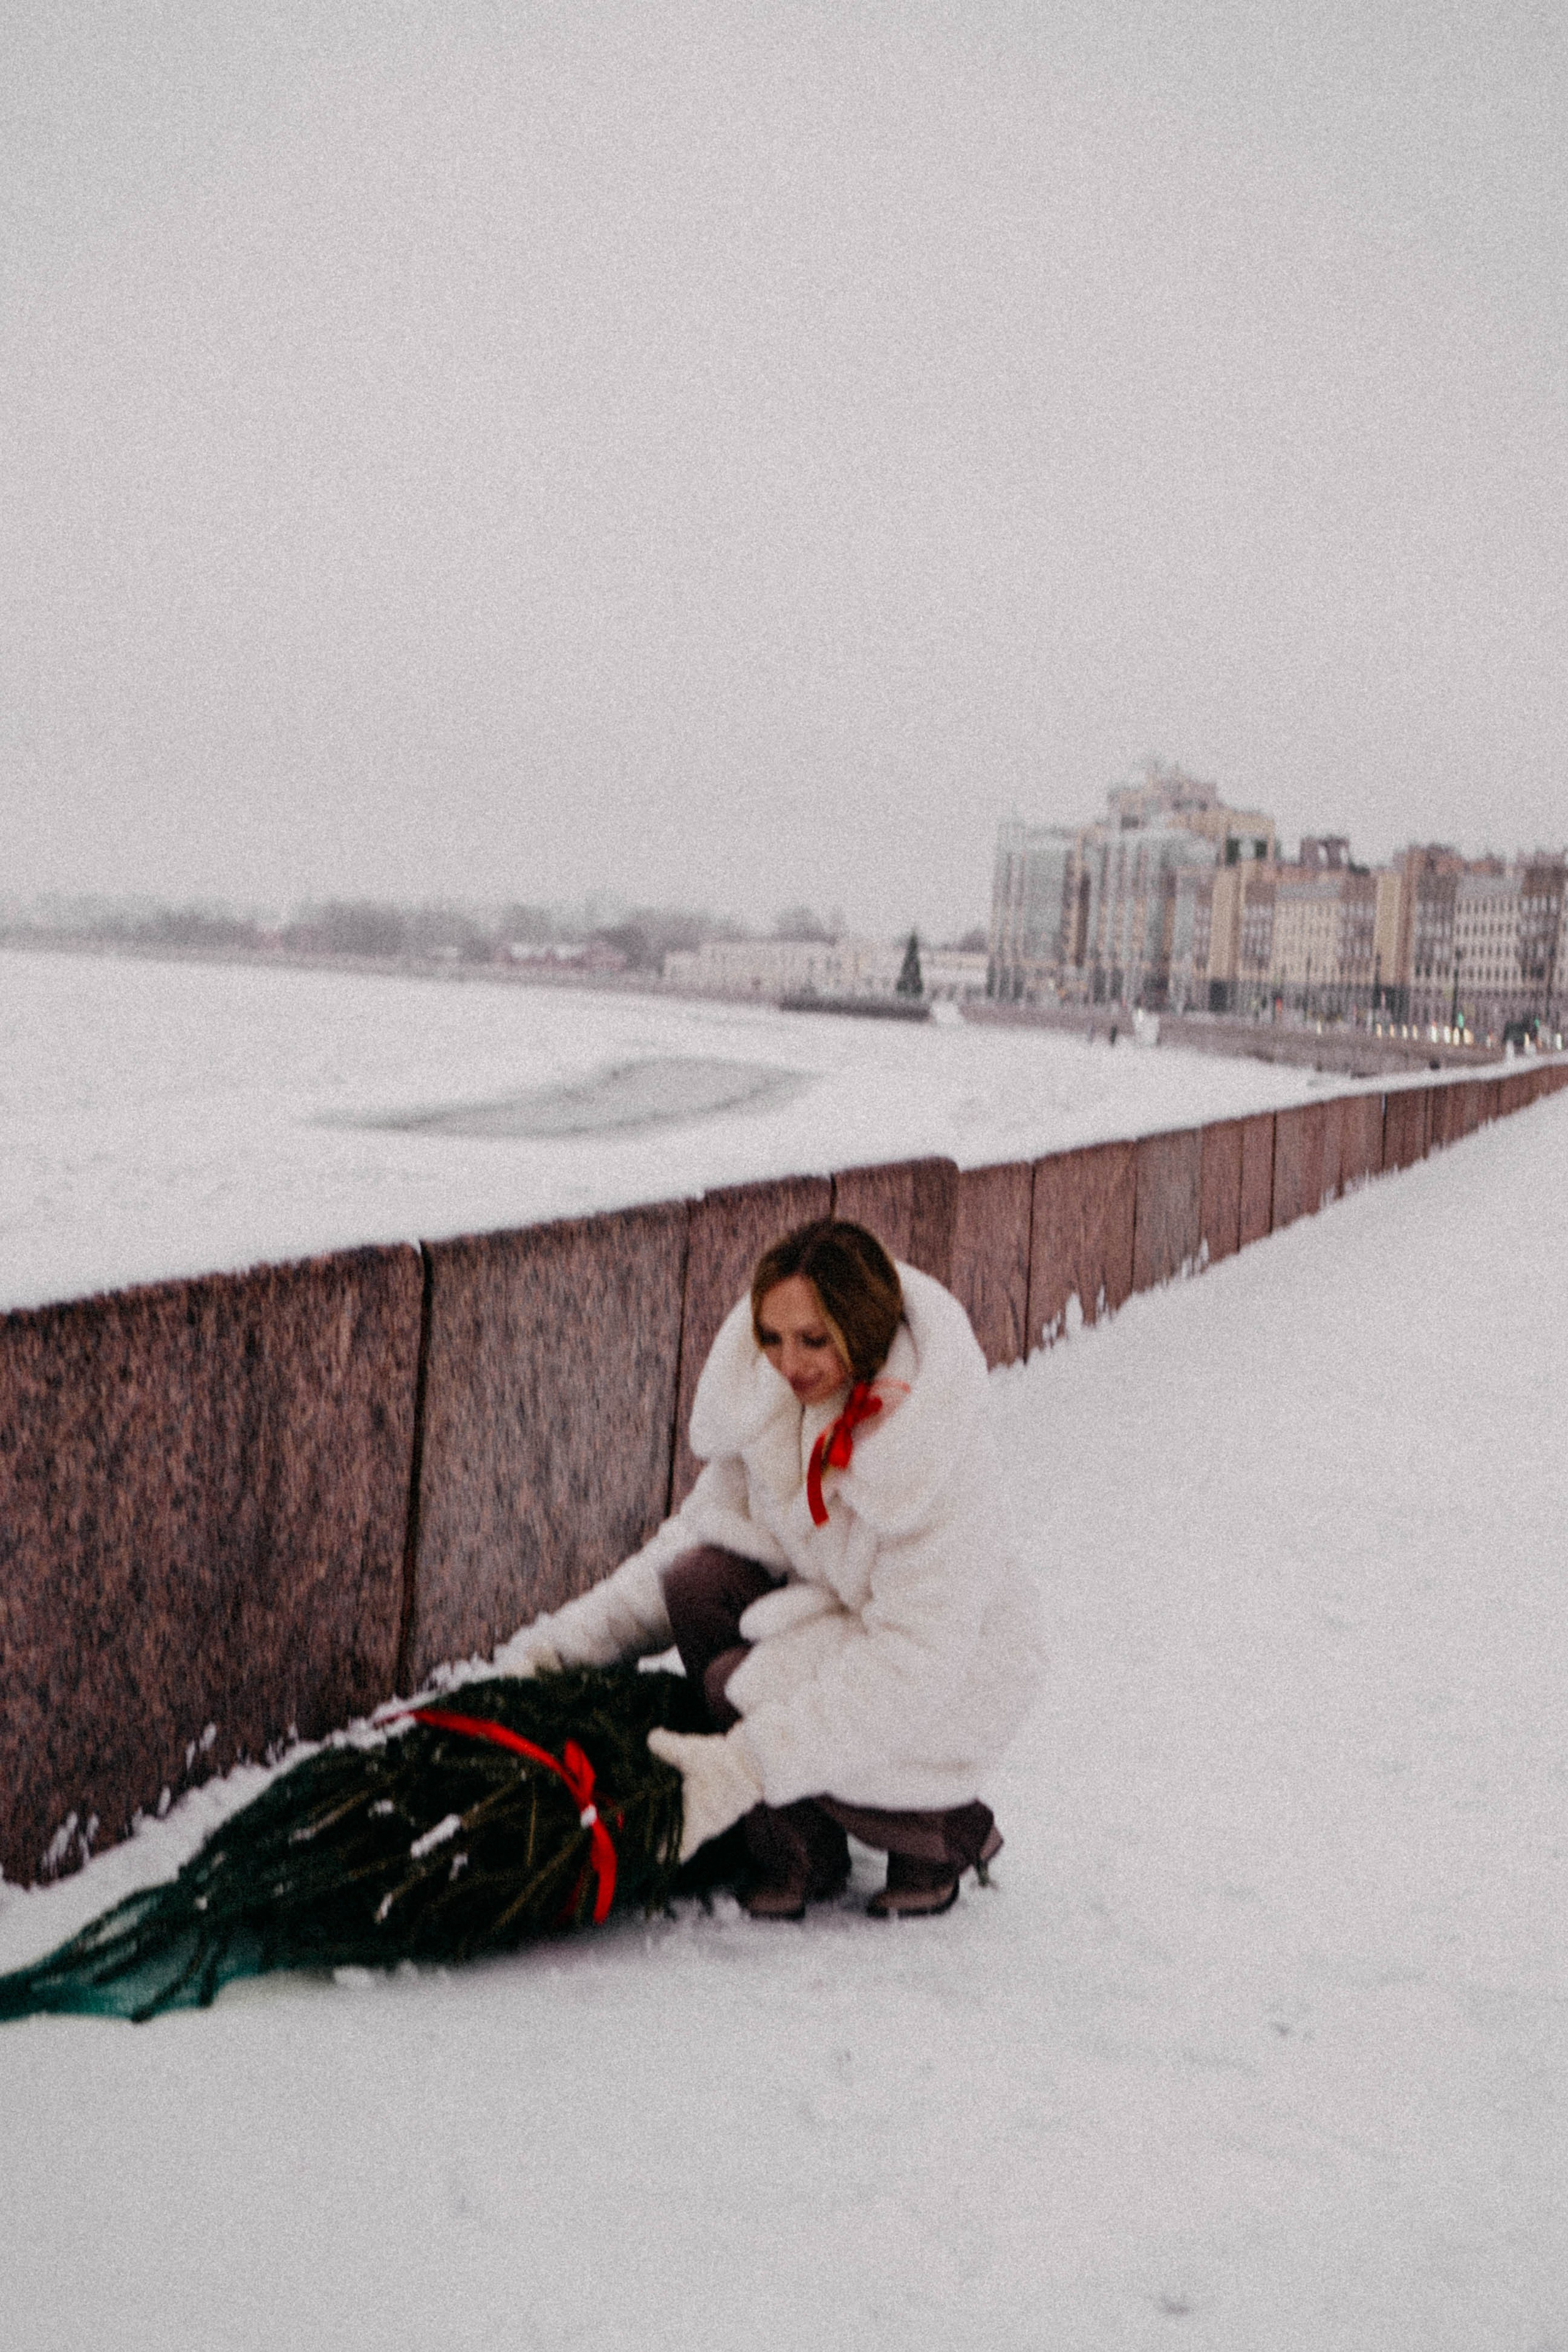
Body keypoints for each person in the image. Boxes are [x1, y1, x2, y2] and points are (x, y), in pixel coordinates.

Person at [500, 1219, 1044, 1920]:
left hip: (955, 1668)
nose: (788, 1363)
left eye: (813, 1340)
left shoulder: (936, 1450)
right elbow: (689, 1539)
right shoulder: (777, 1401)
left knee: (742, 1686)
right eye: (772, 1337)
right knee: (697, 1581)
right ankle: (801, 1850)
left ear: (862, 1328)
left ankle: (941, 1831)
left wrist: (745, 1766)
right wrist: (558, 1651)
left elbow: (913, 1661)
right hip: (839, 1618)